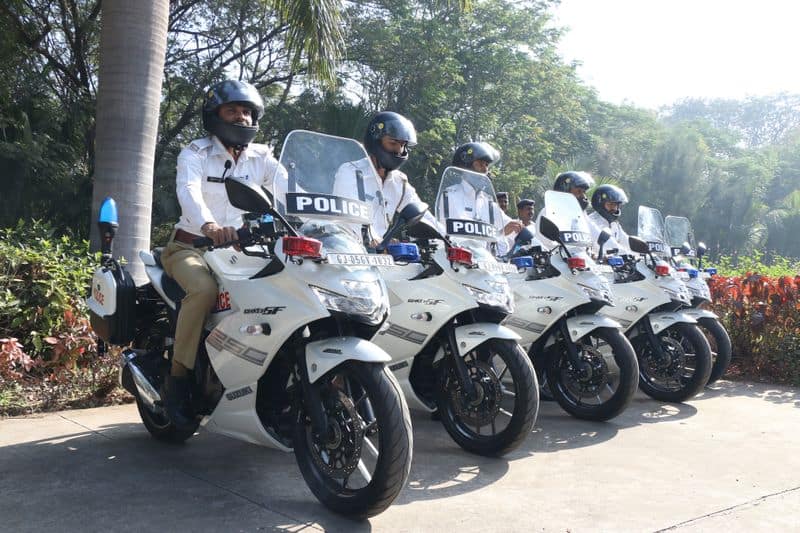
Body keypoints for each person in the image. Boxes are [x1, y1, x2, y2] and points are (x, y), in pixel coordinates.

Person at [159, 79, 286, 428]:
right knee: (203, 291)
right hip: (191, 246)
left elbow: (289, 189)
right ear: (215, 116)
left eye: (247, 111)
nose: (242, 117)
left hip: (241, 253)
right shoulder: (196, 153)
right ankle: (178, 380)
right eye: (233, 110)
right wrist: (210, 226)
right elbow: (189, 191)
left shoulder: (262, 157)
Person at [332, 111, 426, 247]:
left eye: (403, 145)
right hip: (345, 249)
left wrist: (446, 239)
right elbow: (348, 218)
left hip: (378, 255)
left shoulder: (400, 182)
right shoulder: (350, 171)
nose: (399, 151)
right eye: (393, 143)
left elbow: (421, 212)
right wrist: (375, 239)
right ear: (376, 141)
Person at [447, 142, 522, 255]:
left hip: (485, 263)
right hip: (458, 264)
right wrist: (499, 233)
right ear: (465, 166)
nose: (485, 169)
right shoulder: (451, 194)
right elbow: (463, 234)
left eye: (486, 165)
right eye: (480, 164)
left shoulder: (487, 201)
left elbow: (508, 224)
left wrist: (519, 228)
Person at [535, 170, 597, 250]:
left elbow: (594, 234)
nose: (584, 196)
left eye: (584, 192)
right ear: (565, 191)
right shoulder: (549, 212)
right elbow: (546, 242)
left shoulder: (580, 214)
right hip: (554, 259)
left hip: (578, 257)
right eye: (579, 191)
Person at [588, 184, 632, 256]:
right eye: (610, 204)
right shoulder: (592, 222)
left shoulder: (614, 224)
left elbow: (626, 241)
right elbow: (609, 245)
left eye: (616, 205)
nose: (614, 208)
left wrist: (644, 251)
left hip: (611, 265)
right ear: (599, 204)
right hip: (595, 265)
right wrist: (624, 253)